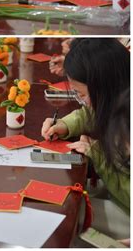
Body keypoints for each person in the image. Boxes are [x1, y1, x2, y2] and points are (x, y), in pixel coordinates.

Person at [41, 39, 130, 240]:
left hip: (126, 208)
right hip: (115, 189)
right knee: (63, 196)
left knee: (66, 212)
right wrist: (64, 125)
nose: (82, 101)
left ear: (104, 88)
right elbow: (89, 114)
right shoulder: (116, 100)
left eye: (81, 94)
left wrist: (99, 157)